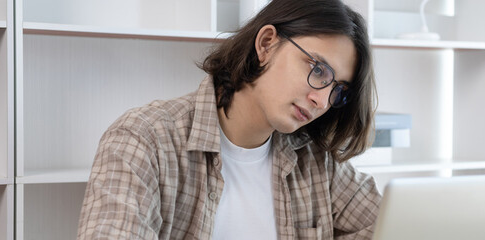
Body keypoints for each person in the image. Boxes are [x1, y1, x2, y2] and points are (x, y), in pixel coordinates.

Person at [77, 0, 381, 239]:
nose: (322, 100)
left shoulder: (316, 163)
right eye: (318, 71)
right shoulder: (144, 140)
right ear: (266, 44)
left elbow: (389, 227)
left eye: (338, 90)